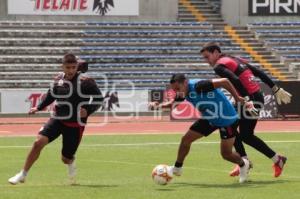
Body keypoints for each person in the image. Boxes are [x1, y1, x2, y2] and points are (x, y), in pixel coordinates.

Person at [8, 53, 103, 185]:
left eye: (73, 67)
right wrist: (39, 107)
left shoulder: (86, 81)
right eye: (68, 67)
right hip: (57, 119)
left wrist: (87, 110)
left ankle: (70, 161)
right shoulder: (58, 79)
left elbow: (99, 98)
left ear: (77, 67)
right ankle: (22, 174)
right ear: (62, 67)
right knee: (38, 143)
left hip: (75, 124)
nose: (70, 70)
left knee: (65, 158)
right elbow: (51, 95)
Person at [200, 42, 292, 178]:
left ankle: (244, 162)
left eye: (207, 57)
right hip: (256, 97)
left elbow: (235, 79)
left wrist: (247, 100)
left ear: (215, 52)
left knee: (228, 125)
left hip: (249, 99)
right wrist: (274, 88)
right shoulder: (234, 59)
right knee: (245, 135)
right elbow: (258, 72)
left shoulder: (219, 66)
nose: (207, 61)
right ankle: (277, 160)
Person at [150, 74, 254, 183]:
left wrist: (237, 98)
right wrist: (158, 105)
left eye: (177, 88)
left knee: (226, 154)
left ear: (185, 82)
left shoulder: (199, 86)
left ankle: (243, 164)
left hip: (227, 120)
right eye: (174, 90)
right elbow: (173, 104)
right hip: (210, 118)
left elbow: (225, 81)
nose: (177, 92)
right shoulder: (182, 92)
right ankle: (177, 168)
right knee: (186, 140)